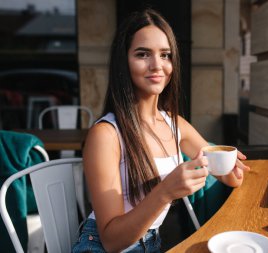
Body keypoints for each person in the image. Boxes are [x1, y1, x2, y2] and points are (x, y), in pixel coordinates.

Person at [71, 8, 250, 253]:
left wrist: (230, 166)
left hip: (151, 243)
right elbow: (112, 241)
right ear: (123, 60)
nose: (157, 65)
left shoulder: (175, 124)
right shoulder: (106, 135)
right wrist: (165, 191)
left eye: (165, 55)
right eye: (143, 54)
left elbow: (228, 175)